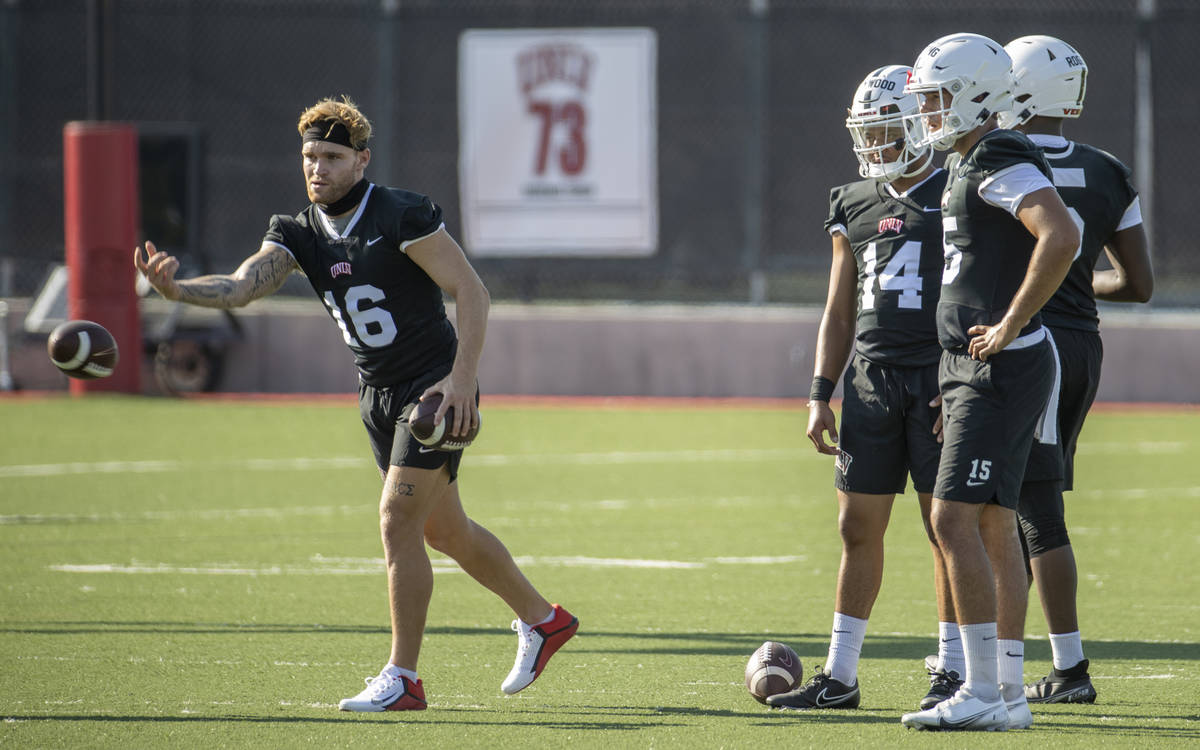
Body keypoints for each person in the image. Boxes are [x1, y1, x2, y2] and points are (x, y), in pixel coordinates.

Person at [133, 96, 578, 712]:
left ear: (361, 159)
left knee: (396, 523)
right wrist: (178, 289)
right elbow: (241, 286)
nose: (317, 168)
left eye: (333, 156)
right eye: (309, 156)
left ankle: (404, 678)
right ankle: (543, 619)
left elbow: (471, 291)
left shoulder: (398, 214)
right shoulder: (297, 232)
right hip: (376, 393)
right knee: (446, 531)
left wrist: (460, 380)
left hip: (432, 386)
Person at [896, 33, 1080, 732]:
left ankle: (977, 688)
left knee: (950, 518)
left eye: (938, 95)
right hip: (976, 366)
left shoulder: (998, 153)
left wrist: (1007, 324)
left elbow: (1058, 233)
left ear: (975, 92)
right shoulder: (974, 157)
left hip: (999, 364)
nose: (930, 109)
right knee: (994, 523)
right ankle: (1003, 693)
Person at [767, 65, 960, 711]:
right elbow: (839, 308)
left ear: (918, 124)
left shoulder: (960, 189)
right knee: (856, 525)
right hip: (871, 383)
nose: (876, 146)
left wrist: (966, 378)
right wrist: (820, 390)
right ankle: (840, 675)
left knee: (946, 528)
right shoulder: (851, 198)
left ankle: (953, 670)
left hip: (937, 379)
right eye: (868, 133)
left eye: (887, 130)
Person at [998, 35, 1154, 704]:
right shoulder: (1108, 168)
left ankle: (1063, 667)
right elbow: (1138, 282)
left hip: (1028, 344)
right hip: (1081, 344)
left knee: (1027, 509)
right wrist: (1073, 288)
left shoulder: (1001, 159)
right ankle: (999, 649)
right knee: (1027, 504)